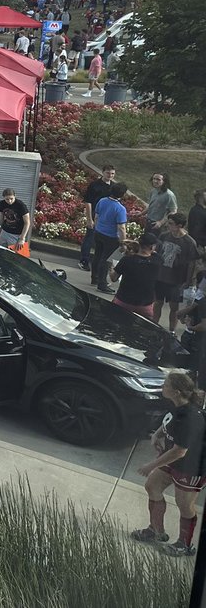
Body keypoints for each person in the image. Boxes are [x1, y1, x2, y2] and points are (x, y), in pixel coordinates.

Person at [131, 370, 206, 557]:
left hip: (192, 466)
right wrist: (158, 433)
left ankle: (184, 545)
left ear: (177, 391)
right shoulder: (177, 405)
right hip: (174, 458)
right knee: (152, 486)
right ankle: (156, 530)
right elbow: (170, 421)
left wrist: (151, 465)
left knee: (184, 505)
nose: (162, 387)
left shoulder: (191, 417)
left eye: (166, 385)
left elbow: (181, 450)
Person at [154, 214, 197, 332]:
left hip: (176, 280)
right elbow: (157, 253)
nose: (168, 225)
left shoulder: (189, 242)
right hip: (160, 276)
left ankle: (171, 330)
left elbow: (191, 263)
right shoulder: (164, 236)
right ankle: (153, 325)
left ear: (180, 226)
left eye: (171, 223)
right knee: (157, 302)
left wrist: (188, 280)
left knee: (174, 306)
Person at [111, 233, 160, 320]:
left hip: (124, 301)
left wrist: (111, 268)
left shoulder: (127, 260)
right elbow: (154, 253)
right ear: (152, 247)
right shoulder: (157, 260)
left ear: (139, 244)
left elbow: (113, 278)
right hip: (145, 304)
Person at [92, 181, 130, 292]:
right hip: (111, 237)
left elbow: (97, 216)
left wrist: (97, 228)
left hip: (99, 232)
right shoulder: (120, 209)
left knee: (97, 256)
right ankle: (102, 284)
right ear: (122, 194)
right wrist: (124, 243)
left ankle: (95, 278)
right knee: (106, 260)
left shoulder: (102, 201)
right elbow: (121, 228)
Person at [80, 165, 117, 271]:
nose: (110, 175)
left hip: (107, 218)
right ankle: (84, 261)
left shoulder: (113, 187)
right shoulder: (94, 185)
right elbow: (88, 202)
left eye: (112, 174)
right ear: (103, 172)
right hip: (94, 214)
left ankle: (97, 262)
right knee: (90, 238)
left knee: (101, 241)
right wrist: (89, 219)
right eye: (108, 173)